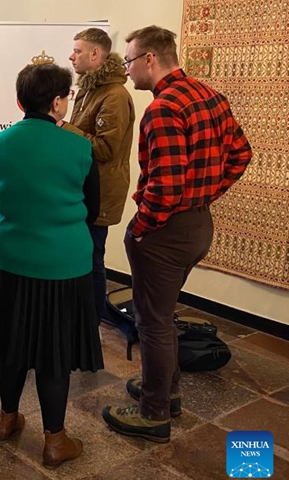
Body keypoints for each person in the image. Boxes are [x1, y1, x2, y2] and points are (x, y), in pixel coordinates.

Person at [102, 25, 252, 443]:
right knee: (162, 317)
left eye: (130, 61)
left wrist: (140, 228)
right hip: (198, 224)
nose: (127, 71)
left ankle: (153, 414)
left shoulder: (164, 108)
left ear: (150, 58)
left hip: (166, 231)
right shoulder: (210, 95)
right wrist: (204, 194)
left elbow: (165, 188)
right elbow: (241, 154)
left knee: (152, 322)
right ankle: (165, 392)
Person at [0, 61, 104, 470]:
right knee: (54, 352)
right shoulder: (79, 147)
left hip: (13, 258)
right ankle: (55, 440)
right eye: (66, 97)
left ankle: (6, 419)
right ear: (57, 103)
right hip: (64, 264)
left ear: (19, 101)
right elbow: (93, 209)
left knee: (12, 345)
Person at [62, 28, 135, 324]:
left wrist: (63, 128)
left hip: (101, 190)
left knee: (93, 259)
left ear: (95, 54)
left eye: (77, 50)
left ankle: (91, 322)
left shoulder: (115, 95)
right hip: (82, 186)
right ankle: (77, 315)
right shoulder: (90, 88)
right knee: (79, 255)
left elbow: (104, 149)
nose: (71, 56)